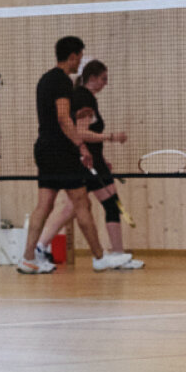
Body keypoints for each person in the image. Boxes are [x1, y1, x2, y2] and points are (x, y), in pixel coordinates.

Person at [45, 61, 143, 272]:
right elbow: (81, 133)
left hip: (92, 161)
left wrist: (101, 157)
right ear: (92, 78)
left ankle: (39, 246)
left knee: (76, 207)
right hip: (87, 163)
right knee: (101, 205)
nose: (105, 83)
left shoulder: (83, 97)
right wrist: (111, 137)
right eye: (103, 79)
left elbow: (86, 134)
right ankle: (117, 255)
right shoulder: (84, 98)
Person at [19, 35, 95, 275]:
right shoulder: (62, 81)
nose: (80, 62)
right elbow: (62, 118)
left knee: (44, 205)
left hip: (44, 148)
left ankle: (28, 258)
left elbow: (56, 115)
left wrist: (74, 117)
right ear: (72, 57)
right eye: (79, 57)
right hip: (60, 151)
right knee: (82, 203)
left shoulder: (45, 79)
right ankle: (101, 257)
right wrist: (81, 146)